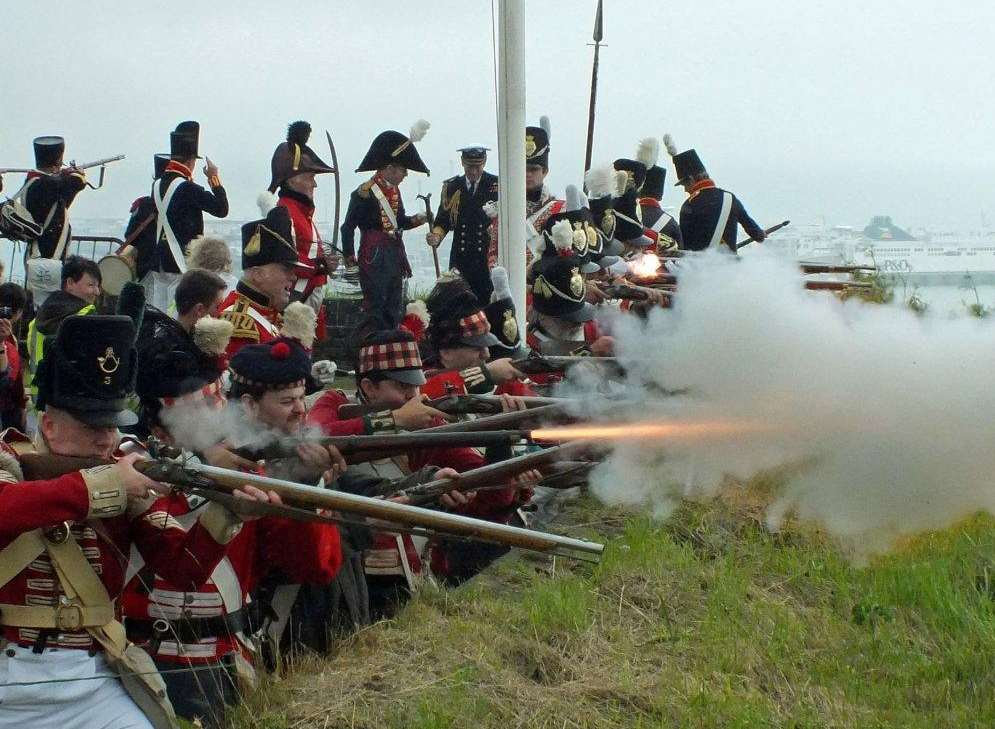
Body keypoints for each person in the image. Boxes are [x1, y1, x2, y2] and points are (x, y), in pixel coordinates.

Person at [0, 313, 276, 729]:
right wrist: (104, 485)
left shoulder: (123, 476)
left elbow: (183, 570)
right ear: (50, 426)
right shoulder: (11, 462)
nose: (106, 438)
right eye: (93, 424)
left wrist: (226, 513)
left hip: (93, 677)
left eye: (112, 424)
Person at [124, 335, 344, 728]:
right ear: (162, 433)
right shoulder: (132, 477)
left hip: (228, 655)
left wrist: (308, 489)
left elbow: (312, 566)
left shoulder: (245, 476)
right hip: (145, 659)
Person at [340, 121, 430, 330]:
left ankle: (391, 338)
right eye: (402, 170)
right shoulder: (364, 192)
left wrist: (420, 219)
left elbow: (400, 223)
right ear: (389, 168)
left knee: (394, 304)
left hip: (393, 253)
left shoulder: (394, 192)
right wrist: (349, 256)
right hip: (373, 255)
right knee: (376, 305)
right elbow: (348, 227)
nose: (405, 175)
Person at [266, 120, 337, 342]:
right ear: (294, 179)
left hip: (308, 297)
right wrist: (320, 265)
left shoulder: (301, 212)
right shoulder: (284, 213)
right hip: (297, 297)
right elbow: (287, 258)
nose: (314, 184)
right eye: (310, 177)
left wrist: (323, 263)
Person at [145, 121, 229, 310]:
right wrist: (214, 178)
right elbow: (222, 209)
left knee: (160, 311)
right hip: (182, 261)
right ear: (191, 161)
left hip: (160, 259)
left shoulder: (157, 185)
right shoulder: (188, 188)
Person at [218, 203, 314, 356]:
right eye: (285, 269)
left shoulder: (269, 313)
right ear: (258, 275)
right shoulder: (239, 325)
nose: (294, 276)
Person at [665, 135, 765, 252]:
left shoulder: (689, 205)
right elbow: (755, 233)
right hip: (731, 267)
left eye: (685, 185)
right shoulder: (730, 198)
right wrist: (760, 234)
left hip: (700, 268)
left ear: (691, 179)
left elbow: (684, 245)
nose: (685, 190)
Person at [25, 255, 101, 404]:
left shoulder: (38, 318)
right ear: (70, 283)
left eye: (98, 286)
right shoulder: (88, 315)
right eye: (91, 285)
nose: (97, 292)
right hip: (75, 399)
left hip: (41, 399)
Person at [427, 145, 498, 301]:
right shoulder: (452, 186)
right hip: (461, 257)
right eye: (470, 166)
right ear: (462, 162)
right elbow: (443, 221)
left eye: (477, 166)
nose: (473, 171)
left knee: (487, 302)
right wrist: (436, 237)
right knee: (458, 302)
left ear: (484, 162)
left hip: (486, 258)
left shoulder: (496, 185)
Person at [122, 154, 170, 281]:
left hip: (144, 266)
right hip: (170, 267)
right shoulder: (180, 207)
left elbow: (129, 235)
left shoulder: (142, 204)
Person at [0, 282, 27, 429]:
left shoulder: (10, 340)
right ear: (19, 313)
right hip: (7, 409)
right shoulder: (10, 341)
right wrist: (21, 405)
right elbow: (12, 380)